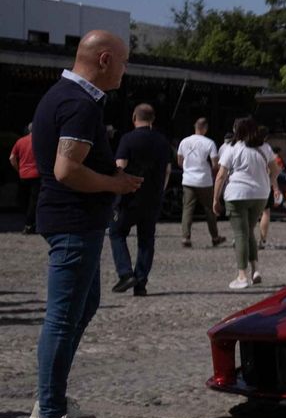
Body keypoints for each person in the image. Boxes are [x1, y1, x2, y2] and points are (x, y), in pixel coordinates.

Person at [29, 31, 142, 418]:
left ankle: (49, 400)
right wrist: (116, 183)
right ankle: (51, 417)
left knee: (82, 306)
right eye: (125, 62)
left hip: (72, 219)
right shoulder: (79, 103)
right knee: (62, 317)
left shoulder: (63, 96)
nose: (126, 70)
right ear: (106, 59)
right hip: (73, 220)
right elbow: (67, 170)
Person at [109, 103, 172, 296]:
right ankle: (141, 282)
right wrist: (160, 190)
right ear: (152, 119)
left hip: (130, 195)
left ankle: (126, 273)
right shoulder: (162, 141)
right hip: (153, 197)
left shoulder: (128, 139)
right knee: (146, 240)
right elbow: (168, 170)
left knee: (116, 232)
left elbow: (120, 165)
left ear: (134, 117)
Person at [215, 117, 276, 290]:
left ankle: (242, 276)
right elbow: (276, 169)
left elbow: (221, 175)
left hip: (237, 194)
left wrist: (215, 199)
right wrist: (268, 183)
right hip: (260, 195)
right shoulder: (265, 148)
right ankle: (255, 269)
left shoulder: (232, 148)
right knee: (249, 231)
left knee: (241, 234)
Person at [175, 117, 224, 248]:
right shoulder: (209, 143)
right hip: (204, 180)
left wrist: (188, 167)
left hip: (188, 180)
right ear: (205, 128)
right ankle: (215, 236)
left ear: (195, 127)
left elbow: (179, 161)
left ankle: (186, 237)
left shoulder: (184, 142)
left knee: (187, 209)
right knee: (209, 209)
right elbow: (215, 164)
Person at [9, 123, 41, 234]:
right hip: (36, 174)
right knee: (34, 201)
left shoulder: (20, 141)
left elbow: (12, 158)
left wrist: (18, 169)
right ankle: (30, 224)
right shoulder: (40, 141)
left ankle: (25, 220)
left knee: (24, 199)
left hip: (23, 174)